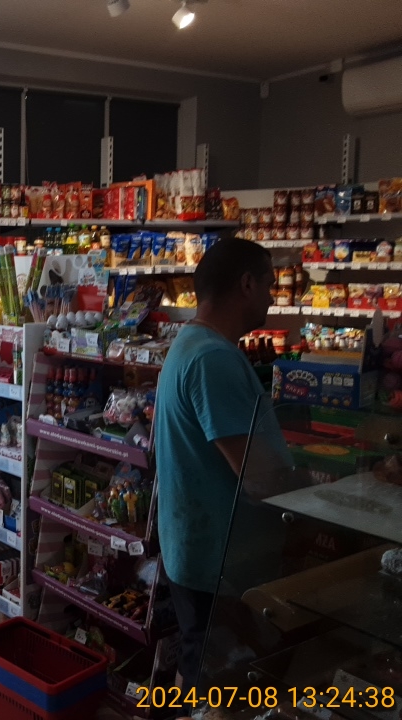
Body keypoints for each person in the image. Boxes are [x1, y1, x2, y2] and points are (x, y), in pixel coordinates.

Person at [154, 237, 279, 691]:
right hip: (218, 561)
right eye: (269, 284)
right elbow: (261, 478)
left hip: (197, 551)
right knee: (218, 686)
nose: (272, 296)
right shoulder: (212, 358)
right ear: (246, 284)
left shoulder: (193, 343)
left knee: (200, 666)